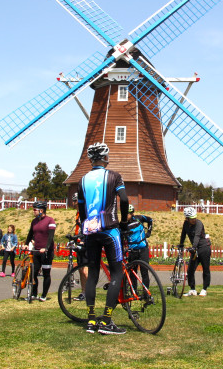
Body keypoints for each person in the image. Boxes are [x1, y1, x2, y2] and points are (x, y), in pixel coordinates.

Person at [77, 142, 129, 335]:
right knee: (116, 272)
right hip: (109, 229)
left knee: (92, 273)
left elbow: (81, 209)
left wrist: (85, 226)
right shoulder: (114, 176)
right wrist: (123, 221)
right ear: (105, 158)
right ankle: (106, 320)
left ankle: (91, 320)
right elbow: (124, 200)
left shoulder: (82, 180)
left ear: (91, 159)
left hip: (90, 231)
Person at [24, 201, 57, 301]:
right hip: (37, 250)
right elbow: (30, 234)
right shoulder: (34, 221)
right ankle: (34, 294)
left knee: (46, 273)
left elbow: (51, 236)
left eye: (35, 210)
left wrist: (46, 248)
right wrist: (26, 244)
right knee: (33, 273)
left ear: (41, 210)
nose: (33, 211)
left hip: (46, 251)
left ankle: (43, 295)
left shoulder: (50, 220)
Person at [179, 207, 211, 297]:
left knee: (205, 269)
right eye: (192, 218)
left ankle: (204, 289)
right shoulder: (185, 224)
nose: (194, 220)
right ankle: (192, 289)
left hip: (204, 248)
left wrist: (193, 247)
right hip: (195, 249)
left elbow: (196, 236)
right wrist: (181, 244)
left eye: (194, 218)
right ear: (187, 218)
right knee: (190, 270)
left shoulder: (199, 224)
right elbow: (183, 234)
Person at [126, 204, 153, 288]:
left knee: (144, 271)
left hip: (143, 249)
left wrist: (149, 231)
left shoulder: (139, 218)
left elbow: (150, 220)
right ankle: (134, 291)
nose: (126, 216)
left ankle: (146, 293)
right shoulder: (123, 224)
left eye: (128, 214)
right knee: (133, 272)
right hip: (132, 251)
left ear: (132, 213)